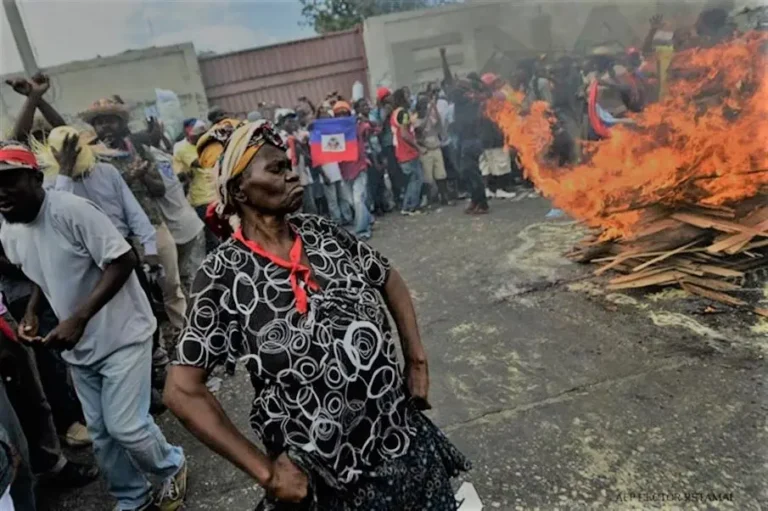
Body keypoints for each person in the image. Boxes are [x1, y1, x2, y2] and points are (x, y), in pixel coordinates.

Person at [164, 120, 470, 510]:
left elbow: (388, 278)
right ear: (239, 188)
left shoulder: (324, 235)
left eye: (288, 164)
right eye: (276, 168)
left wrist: (416, 359)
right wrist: (267, 473)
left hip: (400, 443)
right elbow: (182, 390)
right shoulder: (222, 275)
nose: (292, 173)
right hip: (326, 482)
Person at [0, 142, 187, 511]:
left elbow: (123, 259)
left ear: (37, 178)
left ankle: (173, 465)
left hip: (122, 333)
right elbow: (39, 270)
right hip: (80, 346)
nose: (1, 193)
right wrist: (33, 312)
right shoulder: (11, 228)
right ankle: (132, 497)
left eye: (10, 181)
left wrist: (79, 318)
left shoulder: (71, 211)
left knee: (127, 427)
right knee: (101, 435)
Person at [80, 98, 188, 342]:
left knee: (171, 286)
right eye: (100, 122)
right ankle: (154, 348)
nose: (106, 127)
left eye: (111, 120)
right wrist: (128, 178)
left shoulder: (137, 149)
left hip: (152, 225)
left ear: (121, 123)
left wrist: (142, 177)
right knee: (138, 295)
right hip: (117, 236)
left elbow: (160, 189)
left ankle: (187, 341)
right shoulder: (91, 158)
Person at [137, 122, 207, 299]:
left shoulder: (149, 161)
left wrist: (141, 175)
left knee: (190, 278)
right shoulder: (160, 156)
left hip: (181, 228)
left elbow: (160, 189)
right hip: (187, 223)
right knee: (191, 275)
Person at [440, 49, 490, 215]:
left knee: (471, 172)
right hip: (463, 140)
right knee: (465, 172)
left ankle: (481, 203)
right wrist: (443, 58)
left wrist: (444, 59)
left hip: (472, 140)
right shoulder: (462, 98)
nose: (457, 86)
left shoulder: (472, 98)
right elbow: (448, 80)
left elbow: (451, 81)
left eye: (463, 84)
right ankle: (475, 200)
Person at [332, 101, 373, 239]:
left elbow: (371, 128)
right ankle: (368, 218)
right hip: (344, 171)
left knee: (357, 200)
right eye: (338, 114)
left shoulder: (357, 126)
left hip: (359, 167)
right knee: (352, 201)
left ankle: (362, 230)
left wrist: (364, 121)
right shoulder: (333, 131)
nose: (341, 116)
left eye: (344, 113)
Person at [173, 119, 217, 222]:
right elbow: (201, 163)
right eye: (197, 135)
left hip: (217, 195)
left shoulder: (206, 143)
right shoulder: (181, 148)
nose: (200, 137)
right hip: (202, 200)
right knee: (214, 235)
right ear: (187, 134)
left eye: (203, 134)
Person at [414, 92, 453, 206]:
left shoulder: (431, 117)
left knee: (441, 174)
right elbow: (419, 130)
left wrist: (434, 109)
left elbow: (439, 126)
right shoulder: (416, 120)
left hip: (436, 148)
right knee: (428, 178)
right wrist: (427, 114)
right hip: (426, 151)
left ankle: (444, 197)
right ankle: (429, 200)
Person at [390, 88, 424, 216]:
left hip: (402, 152)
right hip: (407, 152)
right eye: (407, 95)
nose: (410, 98)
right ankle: (411, 207)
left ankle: (407, 206)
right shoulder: (403, 113)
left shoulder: (395, 112)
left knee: (412, 180)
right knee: (416, 179)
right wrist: (417, 147)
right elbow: (404, 134)